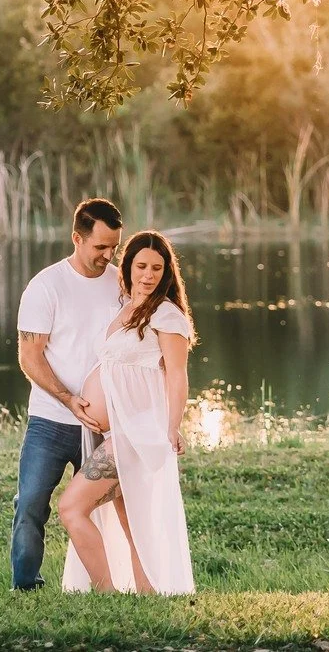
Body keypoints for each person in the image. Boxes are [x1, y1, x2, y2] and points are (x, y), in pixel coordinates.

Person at [58, 229, 196, 595]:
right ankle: (147, 592)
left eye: (156, 268)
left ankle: (105, 592)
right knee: (130, 522)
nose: (148, 275)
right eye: (141, 266)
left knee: (71, 509)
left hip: (136, 435)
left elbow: (177, 376)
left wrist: (172, 427)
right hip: (114, 433)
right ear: (129, 267)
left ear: (166, 272)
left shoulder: (166, 315)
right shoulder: (125, 308)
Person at [11, 197, 124, 591]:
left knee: (110, 507)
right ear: (77, 238)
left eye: (115, 247)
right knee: (30, 506)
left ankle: (112, 583)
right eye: (100, 247)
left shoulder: (120, 283)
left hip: (103, 429)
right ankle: (25, 586)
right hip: (50, 422)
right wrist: (67, 398)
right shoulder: (46, 286)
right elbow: (30, 357)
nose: (109, 256)